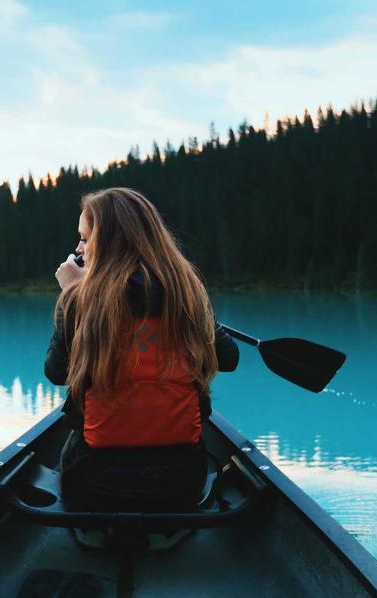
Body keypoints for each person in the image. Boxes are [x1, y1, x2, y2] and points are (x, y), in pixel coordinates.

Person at [44, 187, 239, 515]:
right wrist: (201, 310)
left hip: (94, 486)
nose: (78, 249)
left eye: (85, 238)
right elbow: (229, 359)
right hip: (182, 485)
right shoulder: (186, 291)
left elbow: (56, 372)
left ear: (108, 242)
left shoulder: (80, 299)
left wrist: (73, 294)